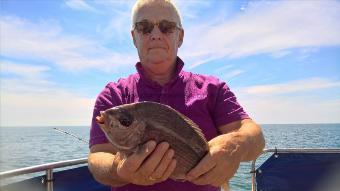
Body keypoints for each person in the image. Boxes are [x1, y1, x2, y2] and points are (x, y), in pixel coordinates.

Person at [88, 0, 265, 191]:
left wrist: (236, 145)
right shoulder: (113, 95)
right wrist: (118, 169)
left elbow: (255, 136)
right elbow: (97, 156)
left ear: (180, 36)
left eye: (167, 27)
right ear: (134, 37)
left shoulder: (213, 89)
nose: (155, 35)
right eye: (144, 27)